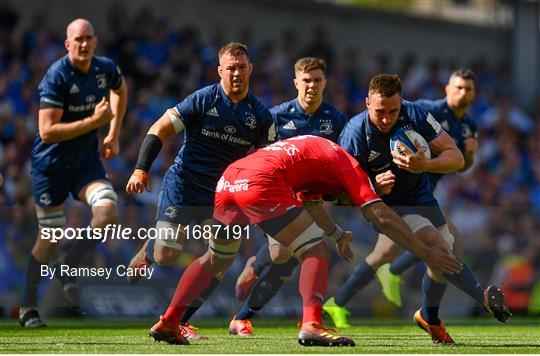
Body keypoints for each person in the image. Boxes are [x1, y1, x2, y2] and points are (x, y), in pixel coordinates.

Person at [147, 135, 462, 347]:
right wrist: (425, 254)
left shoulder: (318, 161)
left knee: (215, 259)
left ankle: (169, 321)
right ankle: (312, 324)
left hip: (230, 178)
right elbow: (379, 215)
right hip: (262, 180)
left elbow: (311, 204)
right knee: (315, 250)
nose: (345, 203)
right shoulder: (349, 166)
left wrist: (338, 234)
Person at [323, 73, 511, 344]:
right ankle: (482, 296)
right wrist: (373, 187)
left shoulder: (415, 114)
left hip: (422, 197)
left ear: (402, 103)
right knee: (435, 245)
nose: (387, 119)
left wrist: (425, 165)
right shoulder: (354, 134)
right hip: (385, 206)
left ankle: (427, 316)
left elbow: (455, 157)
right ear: (366, 103)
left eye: (393, 111)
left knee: (441, 247)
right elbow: (338, 195)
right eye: (379, 112)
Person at [125, 42, 276, 339]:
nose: (236, 73)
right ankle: (152, 248)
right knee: (167, 254)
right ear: (220, 71)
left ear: (250, 69)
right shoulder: (203, 99)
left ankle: (180, 319)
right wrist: (141, 168)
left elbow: (268, 163)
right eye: (230, 68)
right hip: (183, 184)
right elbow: (159, 129)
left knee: (220, 258)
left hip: (221, 194)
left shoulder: (260, 116)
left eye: (241, 67)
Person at [19, 18, 127, 328]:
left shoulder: (104, 68)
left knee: (108, 216)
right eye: (77, 39)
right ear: (68, 44)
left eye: (88, 38)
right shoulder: (57, 76)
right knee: (49, 237)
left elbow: (121, 89)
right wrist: (95, 123)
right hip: (50, 166)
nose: (83, 44)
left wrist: (114, 133)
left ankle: (70, 263)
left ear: (95, 41)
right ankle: (28, 306)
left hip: (84, 164)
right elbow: (47, 131)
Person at [229, 57, 348, 336]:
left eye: (317, 80)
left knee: (293, 257)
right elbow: (259, 158)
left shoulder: (336, 120)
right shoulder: (277, 117)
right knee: (284, 252)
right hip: (279, 197)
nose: (312, 86)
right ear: (296, 82)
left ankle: (243, 318)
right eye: (306, 81)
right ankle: (257, 266)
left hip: (313, 201)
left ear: (325, 83)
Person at [376, 68, 479, 307]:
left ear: (474, 94)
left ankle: (392, 274)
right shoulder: (428, 110)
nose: (463, 93)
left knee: (442, 243)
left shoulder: (469, 125)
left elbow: (463, 166)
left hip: (432, 188)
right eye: (459, 87)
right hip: (413, 187)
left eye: (469, 89)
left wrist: (470, 155)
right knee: (442, 243)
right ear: (448, 89)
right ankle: (392, 277)